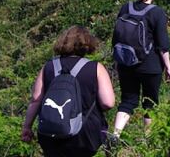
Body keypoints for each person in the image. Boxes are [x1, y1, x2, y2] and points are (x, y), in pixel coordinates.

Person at [22, 26, 116, 157]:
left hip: (51, 131)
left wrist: (27, 127)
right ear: (88, 44)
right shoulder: (96, 68)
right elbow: (108, 103)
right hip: (85, 134)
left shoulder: (48, 67)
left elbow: (36, 100)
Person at [112, 0, 170, 137]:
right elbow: (163, 45)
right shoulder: (157, 12)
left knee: (127, 101)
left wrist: (118, 61)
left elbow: (116, 37)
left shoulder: (126, 7)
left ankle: (116, 135)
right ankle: (147, 141)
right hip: (150, 66)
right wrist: (168, 68)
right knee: (150, 103)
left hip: (126, 64)